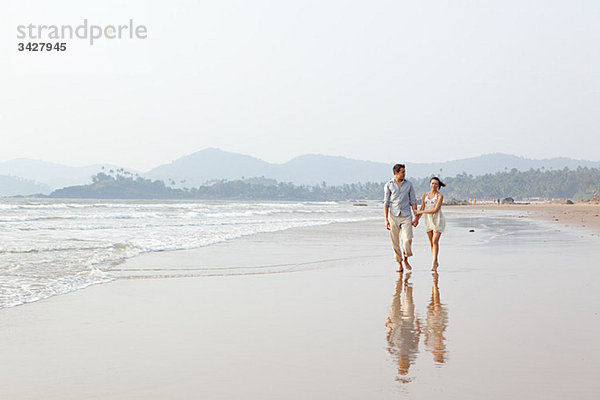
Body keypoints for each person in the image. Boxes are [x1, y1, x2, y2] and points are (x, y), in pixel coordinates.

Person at [384, 164, 420, 272]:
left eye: (405, 172)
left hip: (406, 215)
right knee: (395, 242)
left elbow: (413, 201)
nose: (405, 174)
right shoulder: (389, 185)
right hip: (393, 215)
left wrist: (416, 218)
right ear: (396, 173)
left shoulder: (409, 184)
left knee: (407, 239)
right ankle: (399, 264)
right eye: (402, 172)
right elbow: (386, 203)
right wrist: (386, 220)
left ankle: (406, 258)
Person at [415, 177, 446, 271]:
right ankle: (435, 261)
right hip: (428, 220)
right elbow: (422, 208)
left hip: (437, 219)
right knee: (431, 242)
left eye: (436, 184)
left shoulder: (439, 196)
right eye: (432, 183)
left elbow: (435, 210)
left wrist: (421, 212)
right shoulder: (425, 195)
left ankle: (434, 262)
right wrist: (416, 220)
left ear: (438, 185)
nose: (434, 185)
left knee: (435, 241)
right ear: (430, 184)